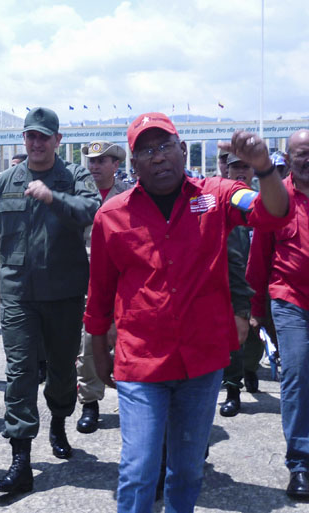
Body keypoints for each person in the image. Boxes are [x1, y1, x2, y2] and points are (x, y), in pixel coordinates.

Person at [84, 112, 290, 512]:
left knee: (188, 469)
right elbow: (100, 293)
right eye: (146, 150)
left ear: (182, 150)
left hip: (201, 360)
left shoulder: (217, 195)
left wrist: (264, 167)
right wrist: (98, 354)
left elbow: (272, 213)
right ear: (133, 163)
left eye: (164, 147)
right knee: (139, 468)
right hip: (141, 361)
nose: (157, 157)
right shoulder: (112, 215)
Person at [0, 106, 99, 494]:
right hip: (18, 293)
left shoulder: (75, 176)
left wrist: (52, 197)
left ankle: (59, 421)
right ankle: (21, 459)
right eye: (30, 135)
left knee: (61, 369)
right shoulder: (6, 180)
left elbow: (92, 210)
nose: (36, 142)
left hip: (63, 292)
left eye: (44, 136)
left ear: (57, 140)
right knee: (20, 372)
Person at [247, 129, 309, 499]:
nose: (307, 159)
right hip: (290, 300)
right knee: (298, 373)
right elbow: (258, 260)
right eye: (301, 153)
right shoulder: (276, 198)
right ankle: (300, 463)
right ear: (287, 157)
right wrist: (254, 308)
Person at [75, 140, 132, 434]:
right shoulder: (80, 195)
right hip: (89, 278)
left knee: (129, 340)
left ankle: (134, 401)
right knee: (89, 341)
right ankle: (90, 402)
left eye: (101, 161)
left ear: (116, 165)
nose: (94, 166)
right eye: (92, 162)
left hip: (124, 278)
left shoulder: (130, 196)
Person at [219, 153, 263, 417]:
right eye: (235, 166)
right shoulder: (220, 203)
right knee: (234, 338)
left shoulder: (263, 201)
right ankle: (233, 389)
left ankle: (251, 369)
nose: (240, 171)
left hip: (259, 279)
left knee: (257, 336)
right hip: (230, 279)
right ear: (226, 168)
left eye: (245, 167)